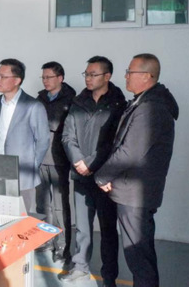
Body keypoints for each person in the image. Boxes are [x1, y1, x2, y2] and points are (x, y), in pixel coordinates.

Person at [95, 54, 178, 287]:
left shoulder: (152, 108)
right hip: (132, 191)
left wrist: (102, 176)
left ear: (147, 76)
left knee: (138, 256)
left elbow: (130, 151)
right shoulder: (144, 102)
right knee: (139, 254)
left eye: (130, 72)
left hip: (135, 195)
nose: (126, 76)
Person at [60, 56, 126, 287]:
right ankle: (80, 267)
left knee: (108, 229)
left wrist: (90, 163)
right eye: (86, 74)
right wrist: (78, 161)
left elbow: (115, 142)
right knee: (82, 227)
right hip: (80, 175)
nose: (88, 78)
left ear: (107, 76)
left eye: (93, 74)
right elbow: (67, 136)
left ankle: (109, 276)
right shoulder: (79, 102)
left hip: (105, 177)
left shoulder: (118, 104)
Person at [0, 58, 49, 216]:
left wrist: (32, 166)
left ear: (17, 80)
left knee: (20, 218)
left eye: (3, 76)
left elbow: (43, 140)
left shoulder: (33, 106)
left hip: (22, 172)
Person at [35, 61, 76, 263]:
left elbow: (65, 127)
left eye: (49, 77)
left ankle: (63, 246)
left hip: (59, 159)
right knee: (42, 204)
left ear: (60, 78)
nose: (45, 81)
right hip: (40, 157)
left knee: (60, 206)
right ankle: (45, 239)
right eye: (43, 77)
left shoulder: (71, 99)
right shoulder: (40, 98)